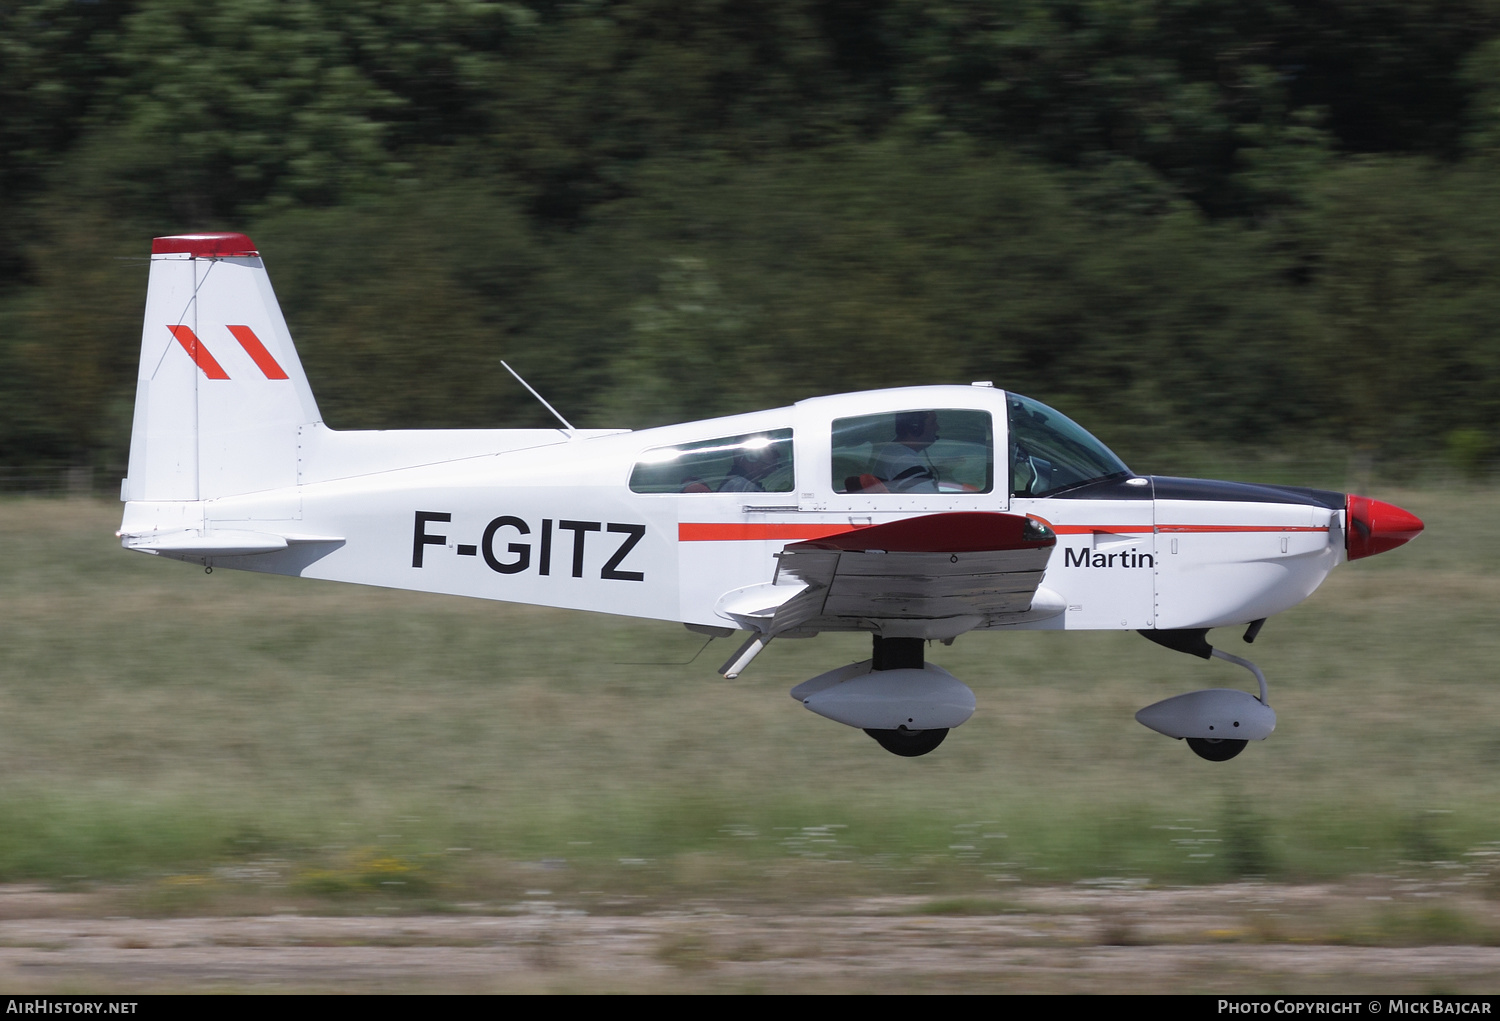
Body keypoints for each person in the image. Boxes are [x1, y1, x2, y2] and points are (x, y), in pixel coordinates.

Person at [872, 410, 940, 493]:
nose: (937, 428)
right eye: (933, 422)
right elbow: (928, 503)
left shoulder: (893, 452)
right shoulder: (905, 461)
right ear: (915, 428)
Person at [719, 437, 784, 492]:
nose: (778, 455)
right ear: (752, 456)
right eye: (772, 450)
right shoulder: (739, 487)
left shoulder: (743, 484)